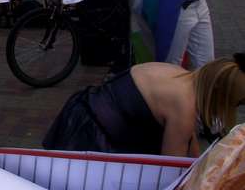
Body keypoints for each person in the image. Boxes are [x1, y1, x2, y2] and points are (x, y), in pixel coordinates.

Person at [43, 54, 245, 157]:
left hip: (81, 111)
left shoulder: (179, 73)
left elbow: (190, 145)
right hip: (89, 138)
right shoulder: (185, 108)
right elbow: (169, 171)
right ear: (223, 98)